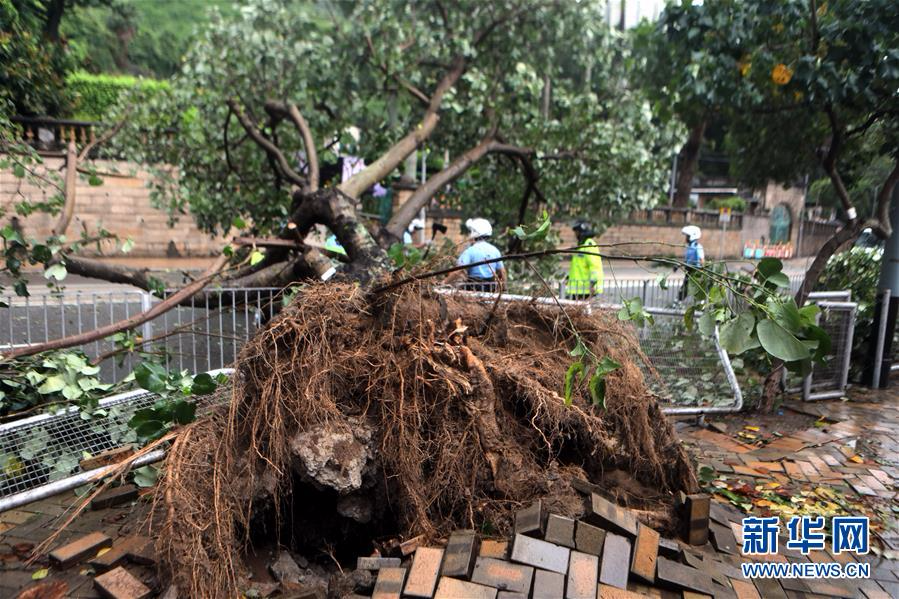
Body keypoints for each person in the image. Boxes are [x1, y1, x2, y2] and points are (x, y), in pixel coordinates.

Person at [448, 218, 506, 292]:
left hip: (473, 289)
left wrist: (444, 283)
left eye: (470, 231)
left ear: (474, 232)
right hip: (491, 289)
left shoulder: (470, 251)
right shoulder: (495, 250)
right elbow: (502, 272)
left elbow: (458, 270)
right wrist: (504, 288)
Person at [566, 221, 604, 300]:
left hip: (586, 290)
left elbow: (594, 266)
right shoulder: (581, 245)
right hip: (578, 290)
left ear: (581, 232)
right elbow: (578, 267)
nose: (575, 235)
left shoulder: (589, 245)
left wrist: (593, 283)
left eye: (576, 232)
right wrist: (568, 278)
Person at [679, 225, 704, 300]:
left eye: (687, 236)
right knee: (686, 285)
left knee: (696, 287)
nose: (686, 238)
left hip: (696, 270)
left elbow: (701, 259)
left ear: (692, 236)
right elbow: (687, 259)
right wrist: (678, 266)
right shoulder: (689, 246)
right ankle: (679, 300)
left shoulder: (698, 246)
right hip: (688, 269)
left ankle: (701, 302)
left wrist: (702, 270)